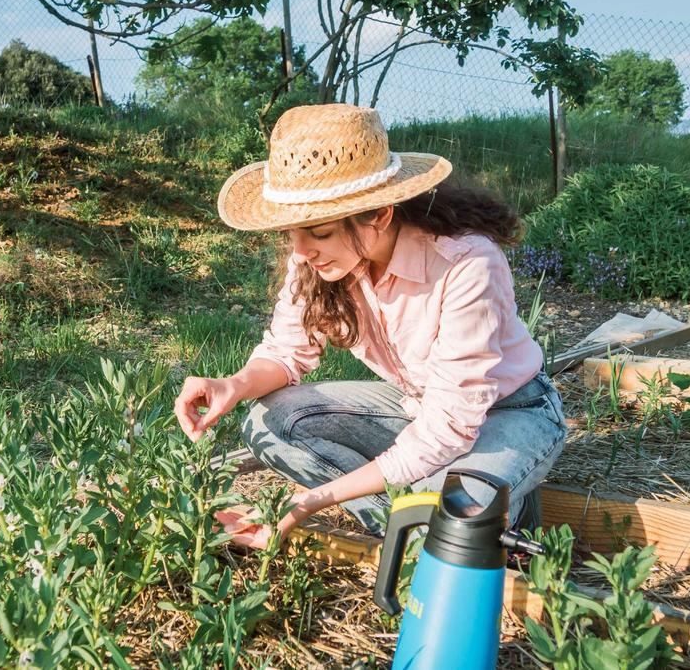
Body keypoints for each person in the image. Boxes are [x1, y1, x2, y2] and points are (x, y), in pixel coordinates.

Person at [173, 103, 567, 548]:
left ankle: (457, 517)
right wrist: (236, 382)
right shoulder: (316, 261)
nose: (301, 251)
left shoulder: (466, 263)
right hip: (418, 408)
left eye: (319, 232)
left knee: (442, 528)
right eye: (291, 232)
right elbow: (287, 351)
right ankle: (443, 519)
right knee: (269, 420)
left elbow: (450, 425)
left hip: (510, 412)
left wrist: (309, 501)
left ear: (378, 215)